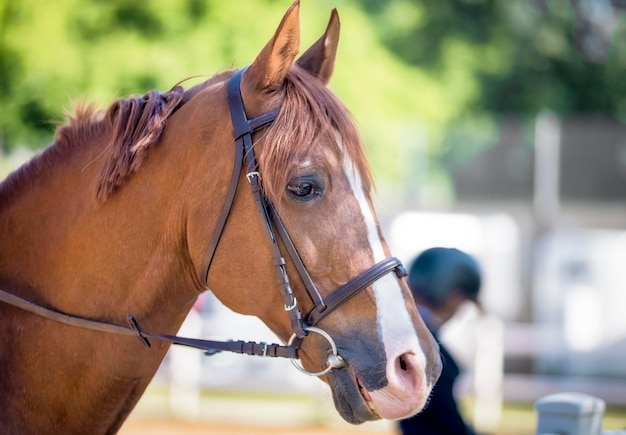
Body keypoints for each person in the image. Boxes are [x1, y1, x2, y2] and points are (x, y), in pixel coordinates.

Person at [399, 247, 481, 435]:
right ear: (454, 298)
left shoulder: (403, 343)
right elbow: (452, 426)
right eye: (464, 303)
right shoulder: (433, 355)